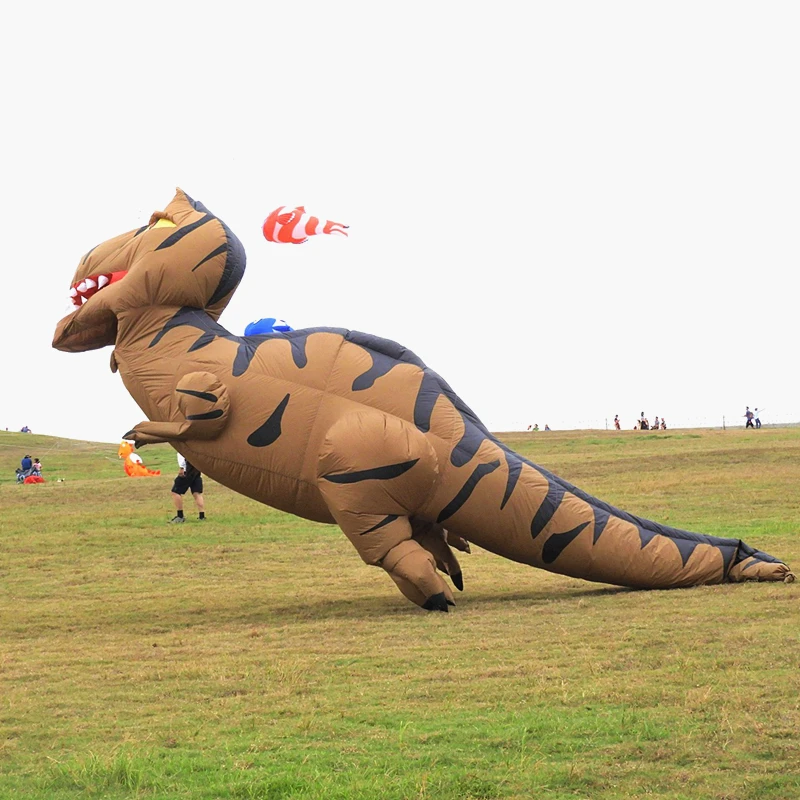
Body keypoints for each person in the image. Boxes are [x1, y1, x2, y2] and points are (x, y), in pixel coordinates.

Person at [170, 453, 206, 522]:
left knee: (175, 492)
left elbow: (181, 454)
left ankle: (180, 516)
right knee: (197, 493)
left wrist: (182, 467)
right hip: (196, 470)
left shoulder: (182, 444)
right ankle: (202, 516)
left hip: (187, 470)